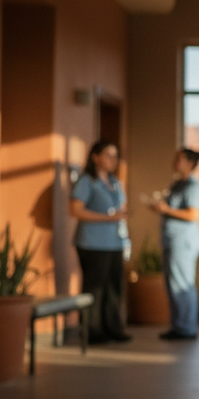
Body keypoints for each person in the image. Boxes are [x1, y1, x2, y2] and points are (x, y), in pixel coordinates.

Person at [70, 140, 132, 344]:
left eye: (115, 156)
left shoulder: (114, 182)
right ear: (95, 157)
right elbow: (76, 210)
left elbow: (120, 207)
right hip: (92, 243)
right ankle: (92, 331)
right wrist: (107, 218)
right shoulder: (87, 181)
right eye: (108, 155)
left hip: (115, 242)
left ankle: (113, 328)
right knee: (94, 288)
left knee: (113, 288)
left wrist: (122, 215)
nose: (113, 160)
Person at [149, 148, 199, 341]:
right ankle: (178, 326)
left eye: (179, 159)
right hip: (172, 240)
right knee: (173, 285)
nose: (175, 162)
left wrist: (166, 209)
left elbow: (193, 215)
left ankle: (187, 328)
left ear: (190, 163)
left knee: (183, 285)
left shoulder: (193, 187)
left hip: (184, 243)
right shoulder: (177, 184)